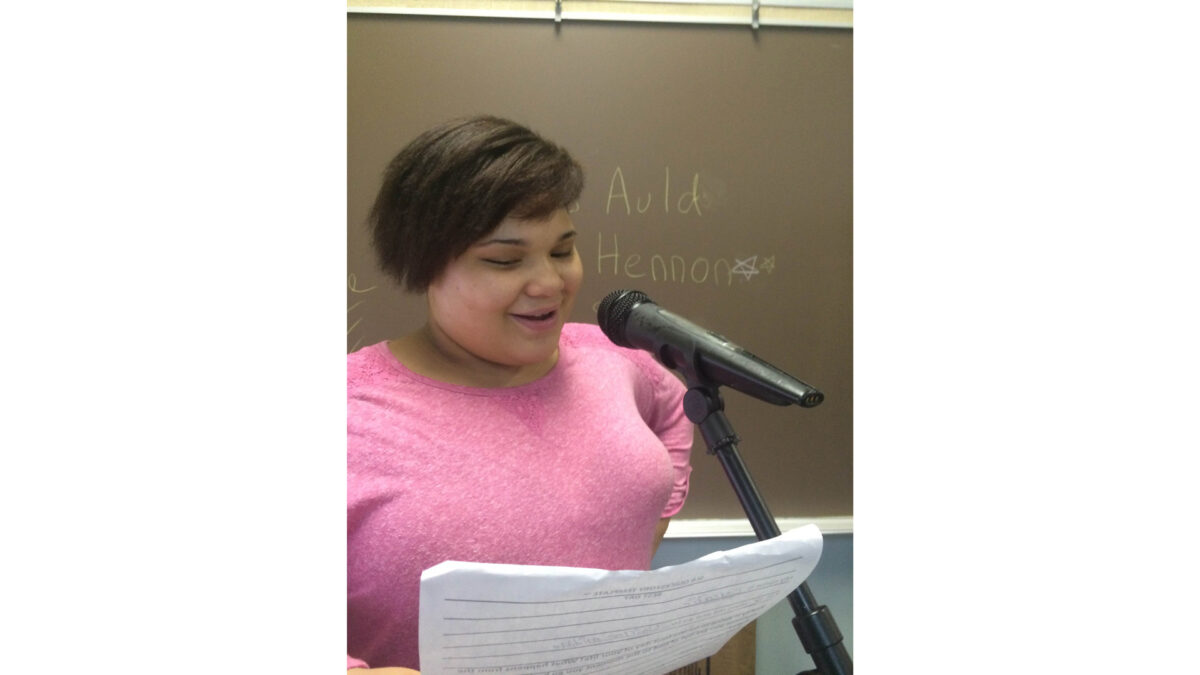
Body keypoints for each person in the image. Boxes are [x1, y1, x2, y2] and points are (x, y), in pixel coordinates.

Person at [347, 116, 695, 673]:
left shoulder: (618, 360)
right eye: (505, 261)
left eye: (562, 251)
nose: (550, 284)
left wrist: (647, 522)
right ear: (423, 264)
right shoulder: (349, 409)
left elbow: (674, 407)